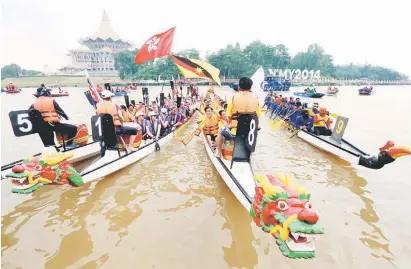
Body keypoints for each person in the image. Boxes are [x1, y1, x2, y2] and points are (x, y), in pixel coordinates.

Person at [215, 77, 261, 158]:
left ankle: (218, 152)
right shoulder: (256, 98)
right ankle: (249, 157)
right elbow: (258, 116)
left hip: (235, 132)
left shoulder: (234, 97)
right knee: (254, 133)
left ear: (239, 87)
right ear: (250, 87)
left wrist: (231, 124)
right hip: (249, 131)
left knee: (220, 130)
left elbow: (229, 116)